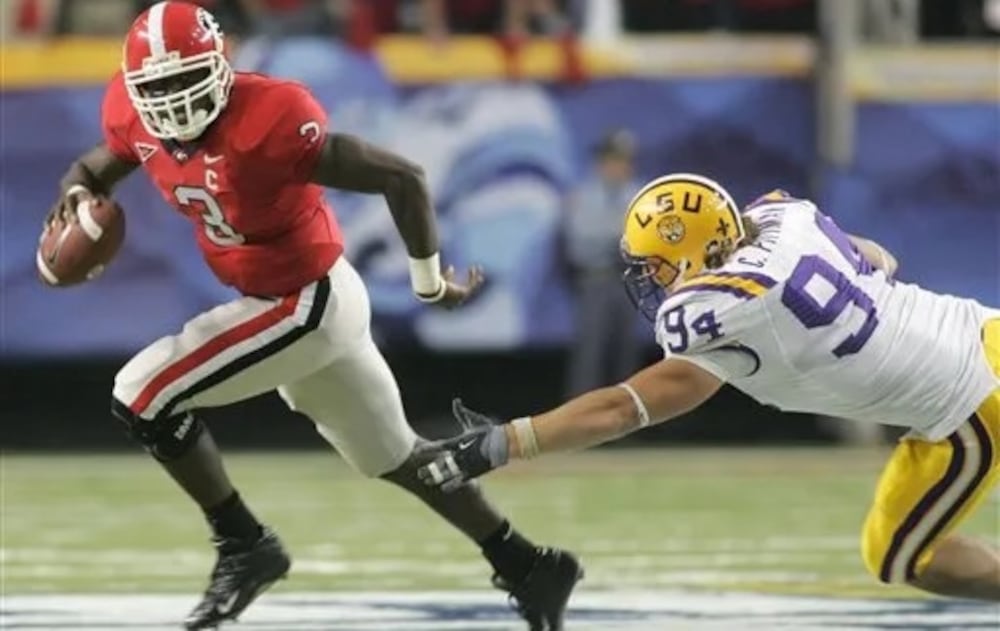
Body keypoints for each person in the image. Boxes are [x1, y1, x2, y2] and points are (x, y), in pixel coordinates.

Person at [43, 2, 581, 629]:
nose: (170, 102)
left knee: (140, 393)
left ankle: (245, 546)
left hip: (304, 301)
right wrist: (78, 199)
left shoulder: (270, 118)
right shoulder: (133, 118)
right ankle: (528, 564)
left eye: (182, 81)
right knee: (399, 457)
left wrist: (430, 285)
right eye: (155, 88)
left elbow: (402, 178)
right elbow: (90, 169)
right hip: (294, 301)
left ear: (220, 68)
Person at [419, 173, 1000, 602]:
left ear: (703, 251)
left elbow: (626, 408)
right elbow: (880, 256)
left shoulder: (724, 307)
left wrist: (504, 443)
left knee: (908, 554)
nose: (650, 279)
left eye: (659, 264)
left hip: (972, 404)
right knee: (888, 547)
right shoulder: (785, 218)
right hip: (983, 332)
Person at [563, 129, 642, 397]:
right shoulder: (583, 196)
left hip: (629, 282)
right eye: (611, 159)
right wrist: (620, 239)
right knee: (590, 352)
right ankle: (578, 424)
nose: (616, 166)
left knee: (625, 354)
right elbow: (580, 241)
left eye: (622, 160)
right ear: (600, 163)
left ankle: (628, 425)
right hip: (595, 278)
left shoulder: (639, 195)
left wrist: (618, 239)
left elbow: (646, 242)